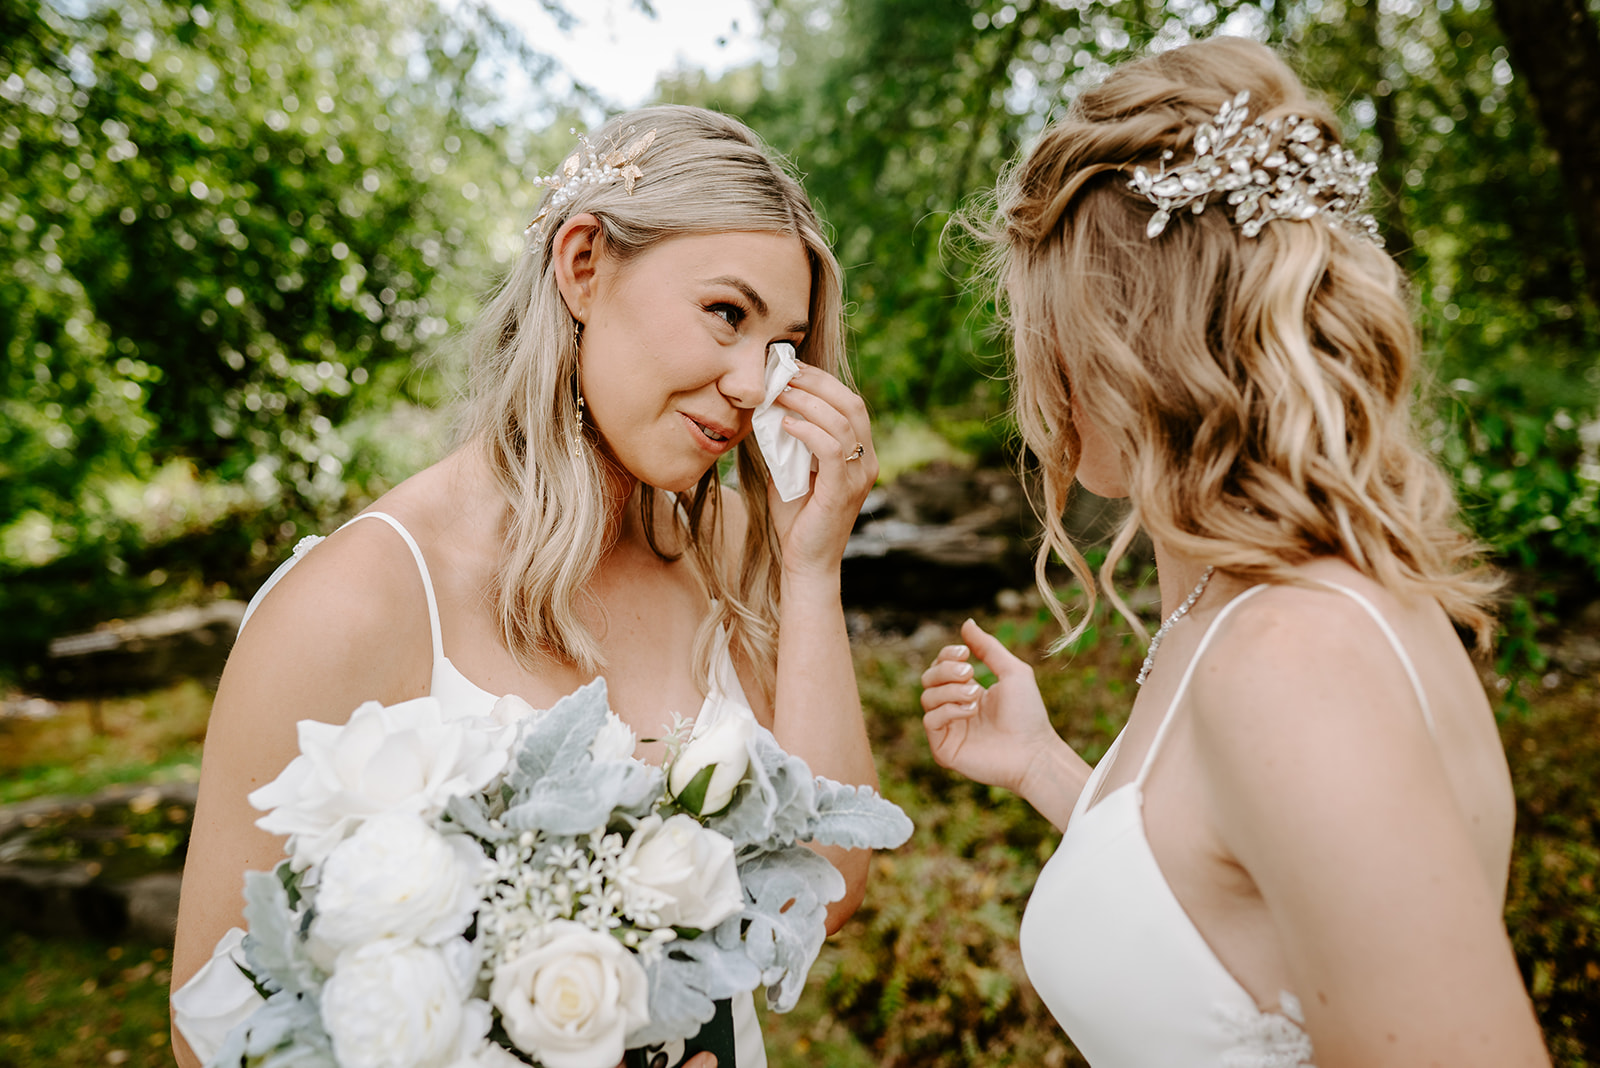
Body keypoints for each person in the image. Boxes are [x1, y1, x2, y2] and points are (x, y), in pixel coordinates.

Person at [170, 104, 880, 1068]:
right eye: (725, 314)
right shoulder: (356, 601)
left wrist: (811, 566)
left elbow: (824, 892)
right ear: (583, 265)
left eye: (781, 346)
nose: (756, 385)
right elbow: (213, 1026)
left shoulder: (729, 551)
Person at [918, 37, 1552, 1068]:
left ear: (1121, 344)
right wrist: (1044, 768)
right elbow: (1230, 921)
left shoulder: (1291, 656)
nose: (1033, 374)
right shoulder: (1250, 606)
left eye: (1043, 326)